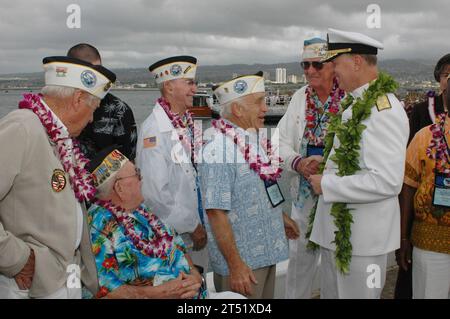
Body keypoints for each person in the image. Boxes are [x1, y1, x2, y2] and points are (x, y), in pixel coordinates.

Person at [0, 56, 116, 298]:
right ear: (77, 100)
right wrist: (15, 258)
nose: (92, 119)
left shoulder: (62, 139)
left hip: (64, 279)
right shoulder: (23, 127)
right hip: (30, 284)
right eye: (93, 109)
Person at [308, 28, 409, 299]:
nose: (331, 71)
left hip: (361, 241)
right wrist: (326, 163)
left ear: (356, 62)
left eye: (335, 63)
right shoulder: (355, 103)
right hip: (340, 236)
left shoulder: (382, 109)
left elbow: (387, 180)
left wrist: (327, 183)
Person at [200, 72, 292, 299]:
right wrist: (236, 265)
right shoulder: (218, 150)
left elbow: (261, 188)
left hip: (266, 254)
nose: (265, 108)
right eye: (259, 102)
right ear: (238, 110)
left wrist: (282, 218)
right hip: (245, 266)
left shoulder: (250, 139)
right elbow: (215, 212)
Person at [277, 36, 344, 299]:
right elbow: (278, 141)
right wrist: (297, 162)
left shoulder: (350, 98)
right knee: (298, 261)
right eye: (304, 65)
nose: (309, 71)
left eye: (317, 65)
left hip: (338, 196)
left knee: (335, 262)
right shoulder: (298, 97)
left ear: (333, 65)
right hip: (303, 196)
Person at [136, 56, 208, 272]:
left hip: (195, 231)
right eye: (189, 83)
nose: (194, 89)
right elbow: (154, 194)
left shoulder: (185, 123)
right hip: (175, 238)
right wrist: (191, 225)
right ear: (168, 86)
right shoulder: (154, 131)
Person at [394, 53, 450, 299]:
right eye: (447, 75)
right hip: (429, 239)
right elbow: (408, 183)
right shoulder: (424, 133)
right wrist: (403, 236)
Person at [67, 43, 138, 161]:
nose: (95, 79)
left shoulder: (119, 110)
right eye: (88, 74)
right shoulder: (59, 105)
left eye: (99, 72)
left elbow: (128, 160)